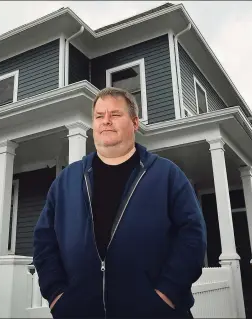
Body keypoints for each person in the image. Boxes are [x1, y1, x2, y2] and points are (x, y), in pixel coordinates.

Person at [33, 87, 207, 318]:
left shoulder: (167, 175)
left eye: (115, 115)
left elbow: (193, 235)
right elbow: (44, 241)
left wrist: (167, 294)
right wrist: (56, 296)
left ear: (135, 123)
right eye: (99, 116)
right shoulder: (67, 180)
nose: (106, 121)